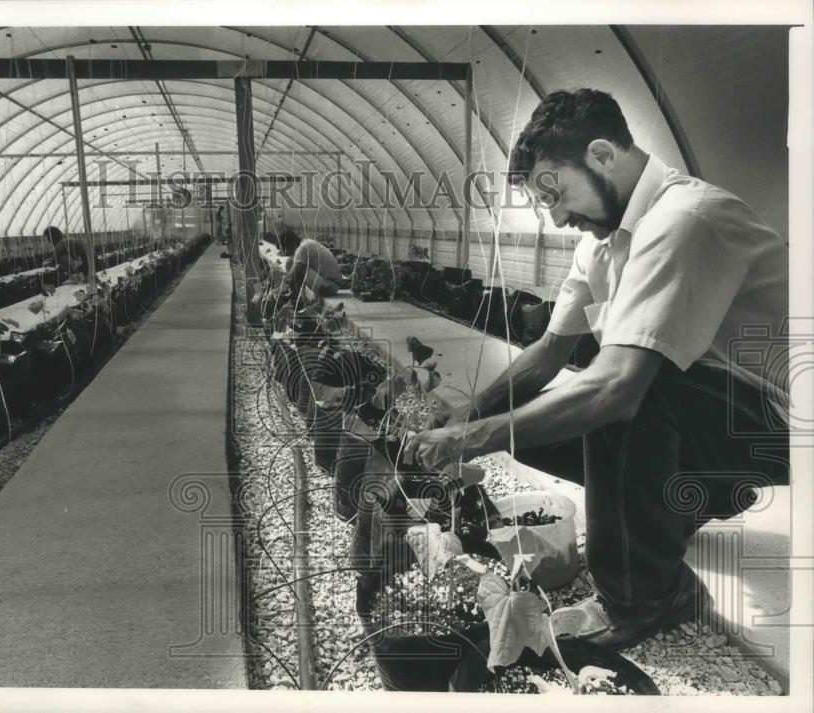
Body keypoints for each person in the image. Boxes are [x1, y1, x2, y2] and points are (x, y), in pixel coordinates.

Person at [406, 89, 789, 650]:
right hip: (719, 410)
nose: (558, 218)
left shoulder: (685, 219)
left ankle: (648, 598)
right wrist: (468, 419)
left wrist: (476, 437)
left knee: (623, 394)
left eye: (556, 194)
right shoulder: (604, 242)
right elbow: (548, 353)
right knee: (529, 425)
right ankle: (697, 496)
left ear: (603, 155)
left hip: (780, 422)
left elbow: (617, 388)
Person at [278, 230, 345, 298]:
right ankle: (296, 294)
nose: (286, 252)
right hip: (328, 284)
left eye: (285, 248)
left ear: (290, 244)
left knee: (299, 269)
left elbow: (294, 274)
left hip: (330, 286)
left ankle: (299, 297)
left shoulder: (302, 248)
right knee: (290, 262)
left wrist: (282, 285)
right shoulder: (305, 243)